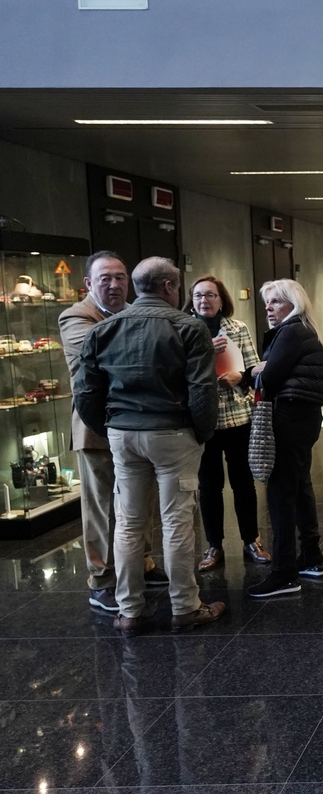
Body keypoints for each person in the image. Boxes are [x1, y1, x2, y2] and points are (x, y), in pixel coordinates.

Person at [73, 256, 223, 635]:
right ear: (171, 288)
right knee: (176, 522)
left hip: (123, 434)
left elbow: (86, 391)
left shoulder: (103, 330)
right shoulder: (188, 328)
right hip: (173, 433)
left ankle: (129, 612)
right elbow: (203, 390)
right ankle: (185, 607)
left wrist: (108, 429)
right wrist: (202, 433)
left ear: (136, 286)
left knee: (128, 523)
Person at [59, 251, 169, 612]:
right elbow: (103, 361)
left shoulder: (132, 313)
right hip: (97, 428)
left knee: (140, 500)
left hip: (137, 424)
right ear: (89, 284)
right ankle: (103, 579)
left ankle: (143, 563)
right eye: (105, 278)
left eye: (120, 277)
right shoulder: (76, 316)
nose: (114, 284)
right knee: (104, 507)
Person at [248, 279, 323, 598]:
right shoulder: (302, 329)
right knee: (299, 487)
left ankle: (283, 573)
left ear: (292, 304)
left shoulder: (292, 330)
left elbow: (269, 376)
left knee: (281, 493)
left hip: (289, 417)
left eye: (276, 302)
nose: (269, 308)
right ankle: (311, 557)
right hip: (303, 416)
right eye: (267, 303)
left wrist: (256, 369)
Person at [186, 275, 271, 572]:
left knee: (243, 483)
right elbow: (178, 371)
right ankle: (214, 546)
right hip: (203, 418)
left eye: (210, 295)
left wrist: (241, 378)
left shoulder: (238, 328)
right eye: (198, 296)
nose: (203, 301)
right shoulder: (184, 329)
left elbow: (254, 367)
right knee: (209, 486)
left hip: (238, 416)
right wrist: (207, 350)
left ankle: (252, 540)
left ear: (222, 300)